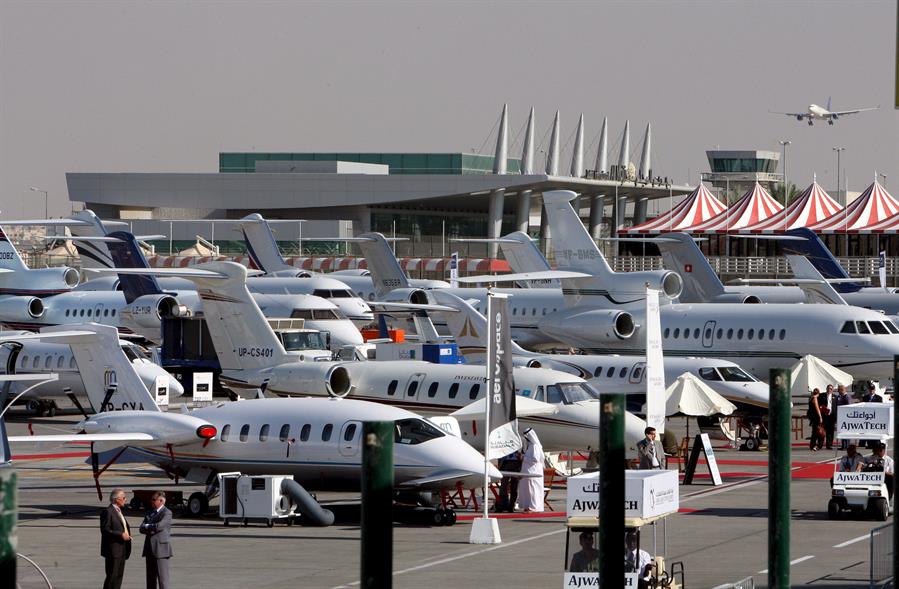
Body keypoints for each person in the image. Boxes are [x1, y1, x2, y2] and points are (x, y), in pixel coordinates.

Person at [140, 491, 173, 589]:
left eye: (154, 500)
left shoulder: (167, 513)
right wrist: (149, 527)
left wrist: (148, 526)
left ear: (161, 501)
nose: (151, 501)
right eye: (151, 499)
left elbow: (159, 526)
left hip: (161, 550)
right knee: (150, 579)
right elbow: (141, 528)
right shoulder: (150, 512)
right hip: (149, 549)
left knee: (163, 580)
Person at [100, 488, 132, 589]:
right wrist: (120, 534)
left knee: (118, 577)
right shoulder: (108, 512)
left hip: (122, 549)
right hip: (113, 550)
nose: (125, 500)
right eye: (124, 498)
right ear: (116, 499)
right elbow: (105, 530)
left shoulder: (118, 511)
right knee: (112, 577)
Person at [517, 428, 545, 513]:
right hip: (528, 473)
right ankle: (528, 506)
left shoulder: (535, 446)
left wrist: (523, 457)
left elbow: (535, 459)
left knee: (533, 490)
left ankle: (534, 507)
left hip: (533, 473)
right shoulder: (531, 446)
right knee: (528, 490)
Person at [836, 385, 852, 450]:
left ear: (843, 390)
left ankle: (846, 446)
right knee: (842, 431)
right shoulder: (841, 396)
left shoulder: (847, 397)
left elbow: (848, 407)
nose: (839, 392)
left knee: (846, 431)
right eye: (839, 390)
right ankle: (843, 446)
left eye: (840, 390)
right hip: (842, 417)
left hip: (846, 417)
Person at [822, 384, 837, 450]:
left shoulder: (835, 397)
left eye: (831, 389)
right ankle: (820, 444)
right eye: (828, 388)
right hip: (824, 416)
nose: (829, 390)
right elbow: (820, 405)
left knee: (830, 431)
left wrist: (836, 416)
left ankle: (829, 445)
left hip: (832, 416)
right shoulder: (822, 396)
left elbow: (836, 407)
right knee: (823, 430)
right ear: (826, 389)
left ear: (832, 390)